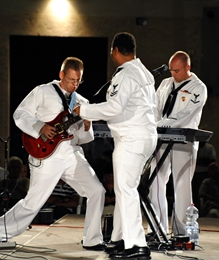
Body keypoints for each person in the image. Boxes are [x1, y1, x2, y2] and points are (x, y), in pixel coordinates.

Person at [0, 57, 106, 251]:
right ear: (61, 75)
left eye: (78, 81)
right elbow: (20, 114)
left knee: (97, 191)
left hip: (71, 153)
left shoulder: (83, 102)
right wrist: (40, 127)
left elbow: (84, 138)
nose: (74, 85)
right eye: (71, 80)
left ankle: (92, 239)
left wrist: (87, 125)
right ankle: (1, 231)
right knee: (34, 202)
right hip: (46, 154)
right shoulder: (42, 91)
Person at [74, 32, 157, 260]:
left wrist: (84, 111)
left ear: (116, 51)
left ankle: (137, 245)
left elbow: (114, 108)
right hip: (145, 136)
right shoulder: (144, 72)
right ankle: (122, 239)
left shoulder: (126, 74)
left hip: (131, 138)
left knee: (126, 190)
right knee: (125, 189)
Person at [148, 51, 207, 236]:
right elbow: (155, 108)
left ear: (188, 68)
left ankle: (182, 231)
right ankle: (157, 228)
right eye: (172, 70)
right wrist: (154, 125)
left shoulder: (199, 88)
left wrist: (160, 124)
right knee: (155, 181)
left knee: (181, 184)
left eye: (178, 70)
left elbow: (185, 116)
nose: (173, 74)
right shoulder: (165, 83)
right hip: (161, 138)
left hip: (184, 139)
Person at [0, 156, 30, 222]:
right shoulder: (0, 182)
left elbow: (28, 198)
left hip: (18, 211)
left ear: (21, 169)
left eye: (18, 167)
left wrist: (16, 186)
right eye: (13, 167)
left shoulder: (25, 182)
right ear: (8, 168)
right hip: (1, 211)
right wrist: (2, 189)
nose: (16, 170)